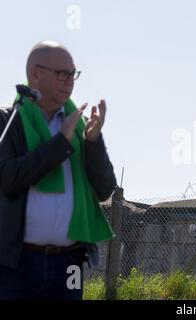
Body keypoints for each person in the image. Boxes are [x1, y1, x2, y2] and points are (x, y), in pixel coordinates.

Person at [0, 41, 116, 300]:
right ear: (35, 74)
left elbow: (105, 189)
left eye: (72, 73)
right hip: (15, 263)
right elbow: (7, 179)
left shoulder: (80, 126)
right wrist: (60, 144)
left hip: (70, 262)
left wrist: (93, 142)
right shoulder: (8, 121)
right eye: (61, 73)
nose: (69, 81)